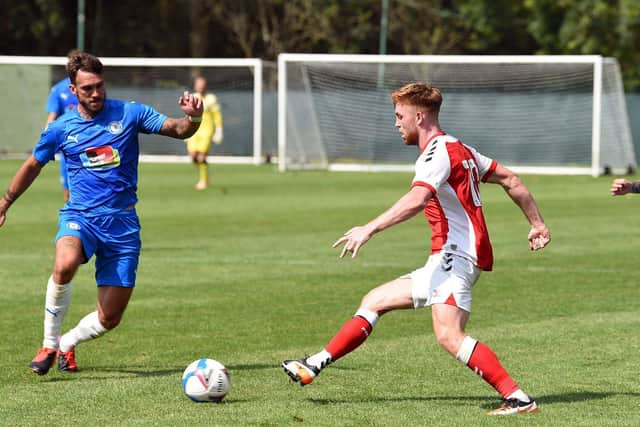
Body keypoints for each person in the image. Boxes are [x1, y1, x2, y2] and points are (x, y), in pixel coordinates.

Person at [282, 83, 551, 416]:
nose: (396, 123)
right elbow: (511, 179)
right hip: (451, 257)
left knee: (449, 335)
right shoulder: (461, 148)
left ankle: (519, 398)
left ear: (419, 116)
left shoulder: (437, 153)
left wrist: (369, 228)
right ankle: (314, 365)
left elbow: (417, 199)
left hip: (456, 256)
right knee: (375, 300)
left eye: (400, 116)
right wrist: (537, 223)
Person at [0, 50, 203, 375]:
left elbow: (178, 130)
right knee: (64, 264)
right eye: (87, 89)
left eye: (99, 86)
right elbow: (32, 165)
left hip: (122, 225)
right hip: (80, 217)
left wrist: (193, 118)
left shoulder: (130, 113)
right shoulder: (61, 128)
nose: (95, 93)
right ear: (72, 89)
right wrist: (5, 202)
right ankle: (49, 344)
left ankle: (68, 342)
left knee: (109, 318)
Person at [185, 76, 223, 190]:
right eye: (199, 84)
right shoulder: (193, 97)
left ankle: (203, 181)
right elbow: (188, 115)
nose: (201, 86)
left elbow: (217, 115)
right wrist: (185, 130)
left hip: (207, 131)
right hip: (194, 131)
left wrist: (219, 130)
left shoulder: (211, 99)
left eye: (203, 84)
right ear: (195, 86)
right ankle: (205, 176)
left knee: (201, 157)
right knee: (193, 157)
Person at [46, 75, 78, 202]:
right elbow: (52, 116)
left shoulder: (92, 87)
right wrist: (47, 138)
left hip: (90, 142)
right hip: (69, 144)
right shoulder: (59, 89)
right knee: (69, 192)